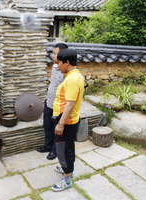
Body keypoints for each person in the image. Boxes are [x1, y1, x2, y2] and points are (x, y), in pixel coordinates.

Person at [51, 48, 84, 192]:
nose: (58, 66)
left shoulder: (71, 79)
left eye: (60, 63)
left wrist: (60, 124)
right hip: (69, 119)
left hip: (66, 121)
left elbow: (70, 104)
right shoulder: (75, 75)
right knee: (68, 147)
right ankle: (68, 169)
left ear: (67, 62)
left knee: (63, 150)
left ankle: (67, 178)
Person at [37, 43, 68, 160]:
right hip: (49, 102)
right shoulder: (55, 67)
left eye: (56, 53)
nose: (52, 56)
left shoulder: (66, 71)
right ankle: (48, 146)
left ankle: (55, 151)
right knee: (47, 126)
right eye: (52, 53)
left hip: (58, 106)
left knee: (56, 130)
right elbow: (53, 84)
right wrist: (47, 95)